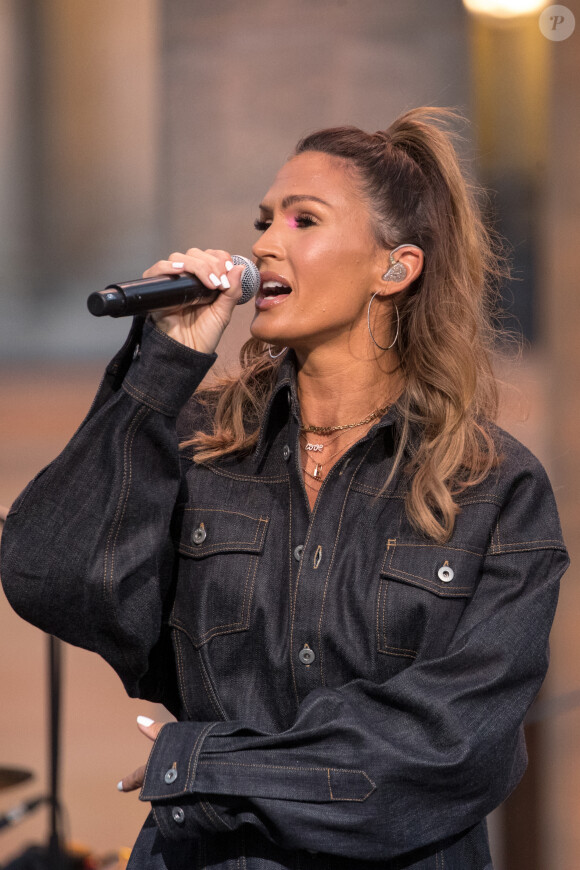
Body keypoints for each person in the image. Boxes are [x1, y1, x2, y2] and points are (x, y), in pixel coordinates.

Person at [1, 108, 569, 870]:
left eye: (304, 220)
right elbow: (48, 575)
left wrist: (202, 766)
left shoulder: (494, 486)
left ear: (394, 268)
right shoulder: (202, 440)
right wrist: (163, 365)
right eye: (265, 220)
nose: (264, 243)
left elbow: (448, 745)